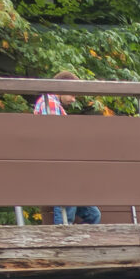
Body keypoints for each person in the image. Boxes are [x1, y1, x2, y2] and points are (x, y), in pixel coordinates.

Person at [34, 76, 100, 225]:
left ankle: (77, 243)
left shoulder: (53, 104)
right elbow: (54, 136)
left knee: (93, 214)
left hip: (65, 167)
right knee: (66, 212)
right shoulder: (49, 102)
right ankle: (64, 242)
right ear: (61, 87)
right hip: (59, 167)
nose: (74, 99)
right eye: (72, 93)